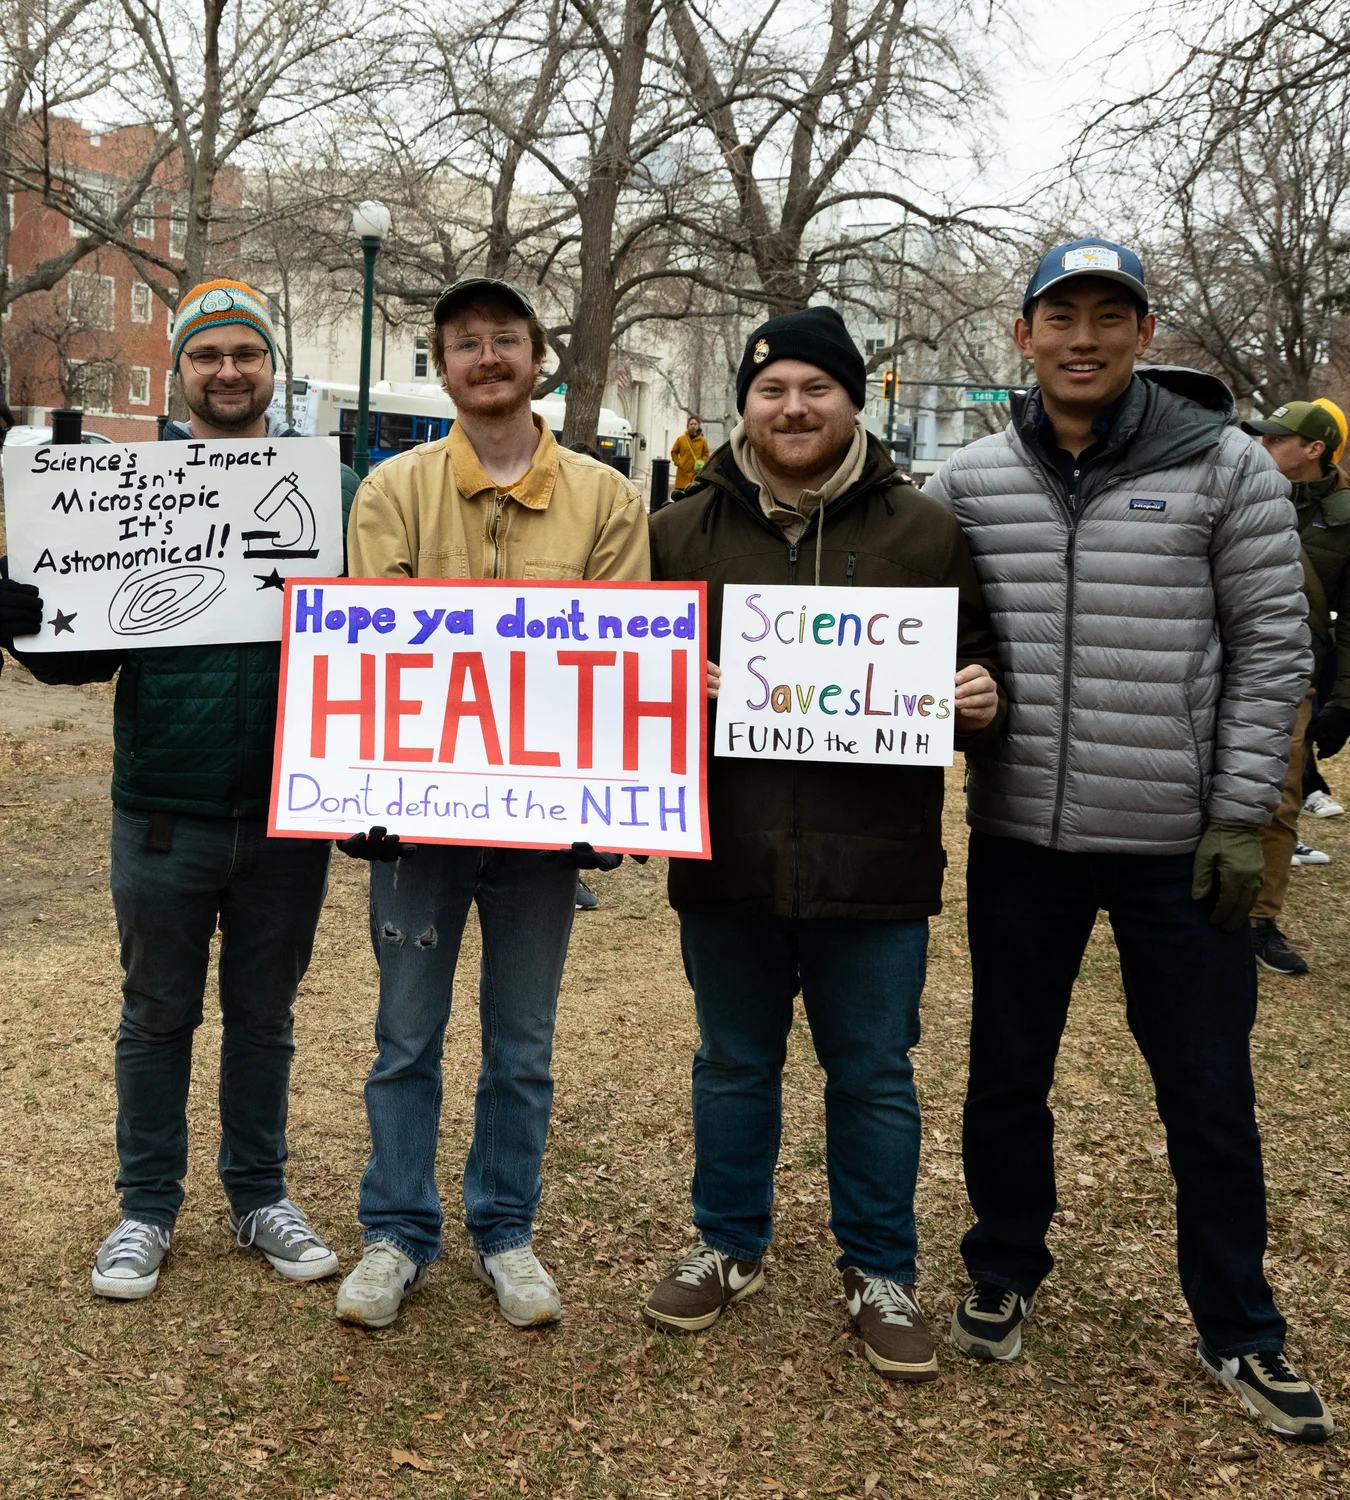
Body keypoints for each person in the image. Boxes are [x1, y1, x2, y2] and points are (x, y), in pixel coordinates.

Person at [926, 239, 1332, 1441]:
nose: (1085, 337)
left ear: (1146, 335)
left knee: (1207, 1090)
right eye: (1063, 315)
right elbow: (916, 631)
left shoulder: (1223, 471)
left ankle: (1241, 1325)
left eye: (1112, 315)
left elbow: (1274, 651)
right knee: (1006, 1074)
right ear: (1024, 334)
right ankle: (1003, 1263)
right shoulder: (971, 481)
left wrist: (1239, 813)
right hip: (1023, 837)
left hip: (1176, 843)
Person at [643, 307, 1004, 1380]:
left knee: (875, 1074)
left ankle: (881, 1268)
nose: (793, 408)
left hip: (876, 861)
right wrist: (670, 687)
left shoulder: (924, 531)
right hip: (731, 852)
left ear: (855, 401)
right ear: (744, 407)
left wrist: (982, 698)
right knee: (734, 1064)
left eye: (816, 388)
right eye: (772, 390)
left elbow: (981, 665)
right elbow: (619, 693)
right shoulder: (676, 536)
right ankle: (725, 1244)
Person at [0, 279, 359, 1301]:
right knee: (156, 1016)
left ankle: (258, 1195)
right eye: (209, 356)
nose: (230, 371)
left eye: (247, 353)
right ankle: (145, 1209)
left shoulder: (328, 495)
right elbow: (81, 663)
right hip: (163, 812)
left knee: (266, 1017)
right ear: (180, 372)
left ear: (270, 368)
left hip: (288, 814)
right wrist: (24, 618)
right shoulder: (129, 493)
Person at [334, 277, 649, 1331]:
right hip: (417, 829)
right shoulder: (392, 492)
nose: (486, 357)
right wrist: (357, 787)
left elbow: (620, 670)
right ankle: (395, 1232)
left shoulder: (607, 501)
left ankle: (506, 1229)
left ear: (538, 356)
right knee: (404, 1038)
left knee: (523, 1043)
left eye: (504, 339)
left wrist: (611, 810)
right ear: (443, 365)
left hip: (541, 836)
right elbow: (367, 662)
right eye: (463, 343)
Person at [1238, 400, 1348, 973]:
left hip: (1292, 676)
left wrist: (1344, 703)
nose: (1263, 446)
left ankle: (1259, 919)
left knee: (1276, 799)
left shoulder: (1347, 517)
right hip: (1217, 664)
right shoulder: (1239, 491)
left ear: (1313, 449)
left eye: (1278, 438)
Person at [670, 415, 709, 492]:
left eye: (695, 424)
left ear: (698, 426)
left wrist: (702, 462)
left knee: (694, 496)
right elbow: (674, 452)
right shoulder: (681, 439)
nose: (693, 426)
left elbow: (706, 453)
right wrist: (678, 463)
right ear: (687, 426)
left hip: (696, 472)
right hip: (682, 473)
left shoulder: (702, 440)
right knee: (680, 497)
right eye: (691, 424)